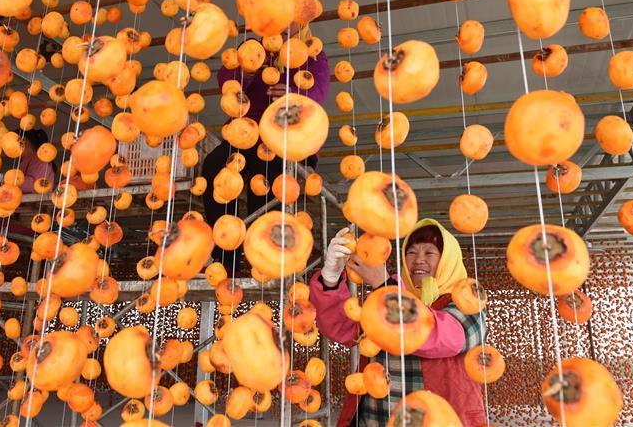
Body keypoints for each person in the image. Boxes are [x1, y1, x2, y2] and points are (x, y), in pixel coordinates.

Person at [310, 219, 486, 427]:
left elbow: (439, 337)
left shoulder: (467, 303)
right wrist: (330, 279)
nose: (419, 260)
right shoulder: (387, 298)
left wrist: (386, 287)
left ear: (448, 259)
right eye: (411, 253)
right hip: (376, 419)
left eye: (429, 253)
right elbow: (343, 328)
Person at [200, 25, 330, 274]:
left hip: (287, 135)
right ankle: (227, 252)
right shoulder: (255, 48)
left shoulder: (312, 52)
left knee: (266, 177)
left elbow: (319, 90)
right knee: (215, 167)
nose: (282, 27)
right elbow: (226, 80)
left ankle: (262, 255)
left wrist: (294, 94)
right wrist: (244, 75)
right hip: (248, 131)